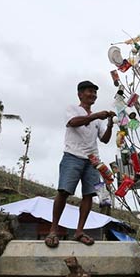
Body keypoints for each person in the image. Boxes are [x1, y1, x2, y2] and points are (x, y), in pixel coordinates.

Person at [45, 80, 115, 248]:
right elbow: (73, 122)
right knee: (63, 191)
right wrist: (95, 116)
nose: (93, 95)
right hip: (72, 156)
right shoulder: (72, 109)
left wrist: (111, 123)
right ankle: (53, 230)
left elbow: (104, 139)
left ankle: (79, 231)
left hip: (93, 160)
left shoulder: (98, 120)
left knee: (89, 195)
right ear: (80, 94)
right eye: (89, 91)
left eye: (95, 93)